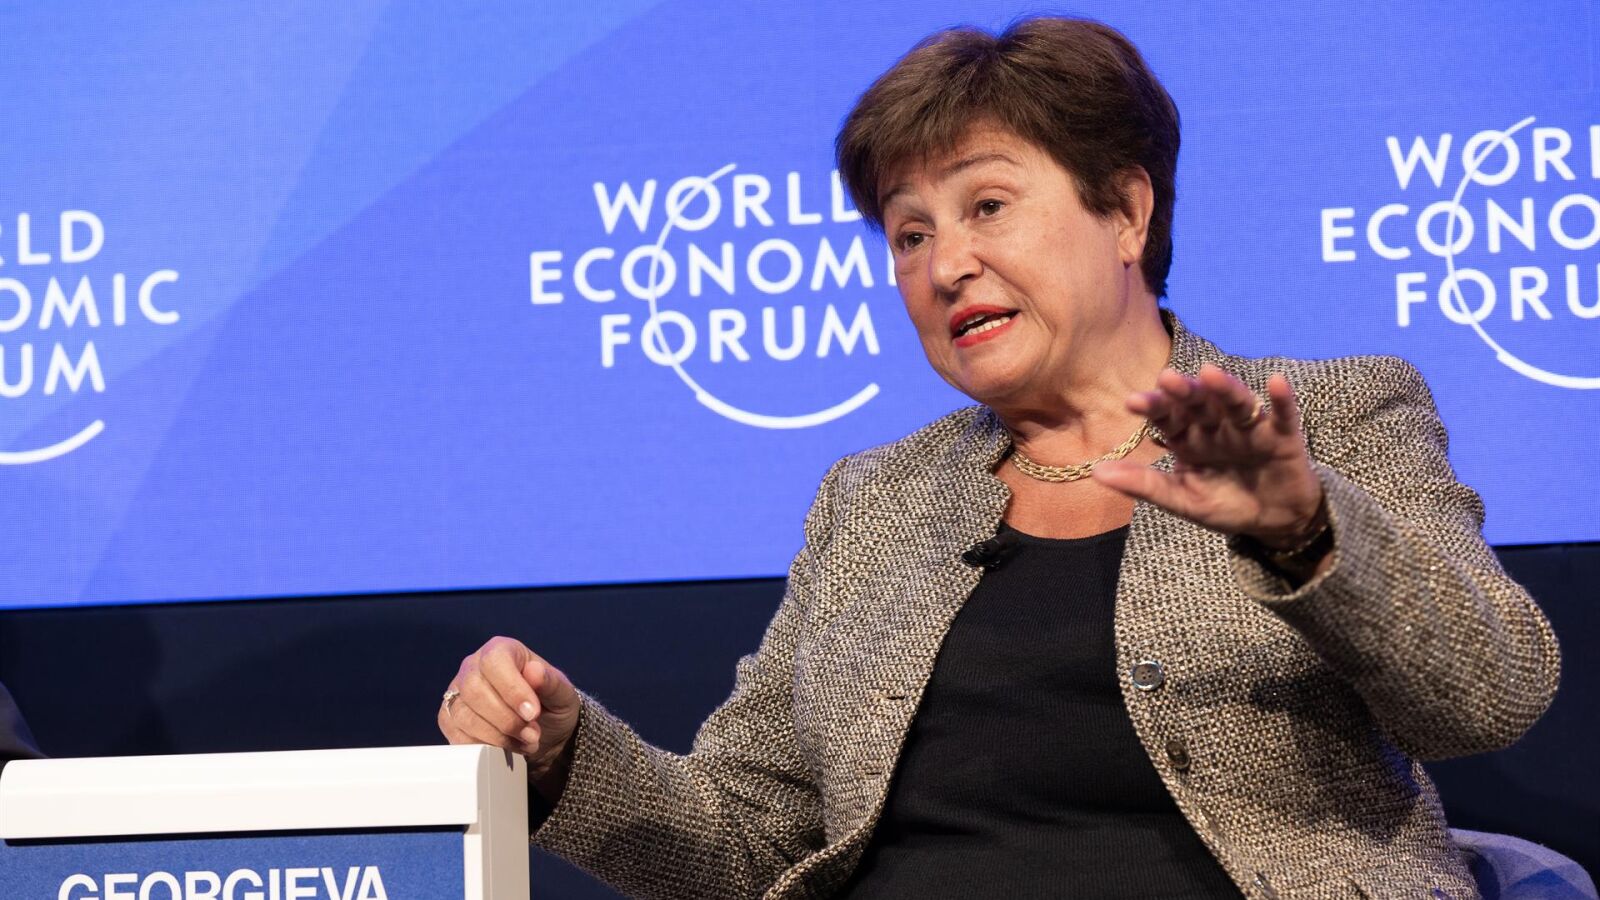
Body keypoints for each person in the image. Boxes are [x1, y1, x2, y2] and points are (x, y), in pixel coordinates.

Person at [437, 17, 1560, 899]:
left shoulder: (1327, 414)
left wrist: (1303, 530)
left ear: (1125, 211)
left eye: (988, 205)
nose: (945, 265)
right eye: (910, 233)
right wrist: (566, 754)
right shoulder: (874, 501)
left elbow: (1488, 697)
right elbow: (748, 848)